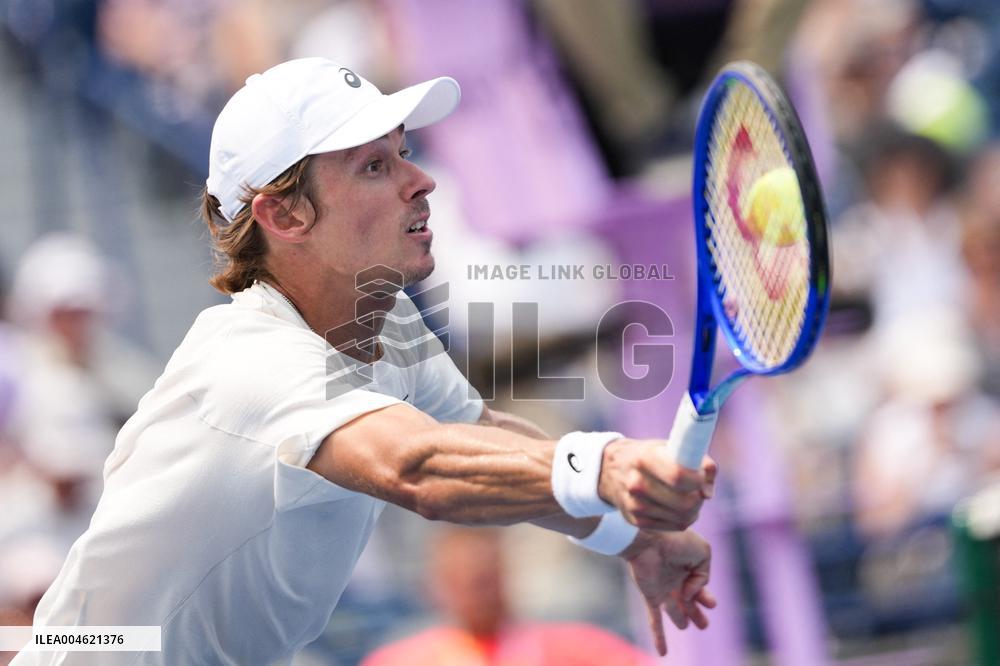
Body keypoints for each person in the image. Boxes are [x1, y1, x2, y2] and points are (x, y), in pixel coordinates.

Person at [14, 58, 716, 665]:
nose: (421, 181)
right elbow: (418, 467)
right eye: (375, 166)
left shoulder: (387, 318)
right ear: (284, 217)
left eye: (404, 151)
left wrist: (629, 535)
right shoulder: (248, 364)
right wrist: (605, 465)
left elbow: (479, 436)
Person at [362, 527, 669, 666]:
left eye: (484, 579)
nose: (476, 593)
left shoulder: (577, 647)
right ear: (439, 585)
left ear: (504, 573)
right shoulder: (401, 660)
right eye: (462, 581)